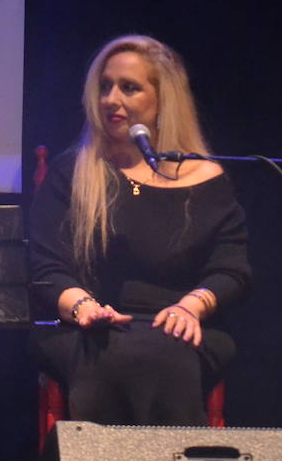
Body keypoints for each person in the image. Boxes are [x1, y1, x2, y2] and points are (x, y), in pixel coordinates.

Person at [28, 35, 252, 425]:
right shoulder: (74, 172)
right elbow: (45, 266)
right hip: (89, 326)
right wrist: (83, 307)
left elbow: (231, 269)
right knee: (115, 354)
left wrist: (191, 307)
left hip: (178, 325)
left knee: (164, 351)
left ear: (164, 100)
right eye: (104, 87)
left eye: (129, 88)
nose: (111, 99)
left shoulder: (206, 178)